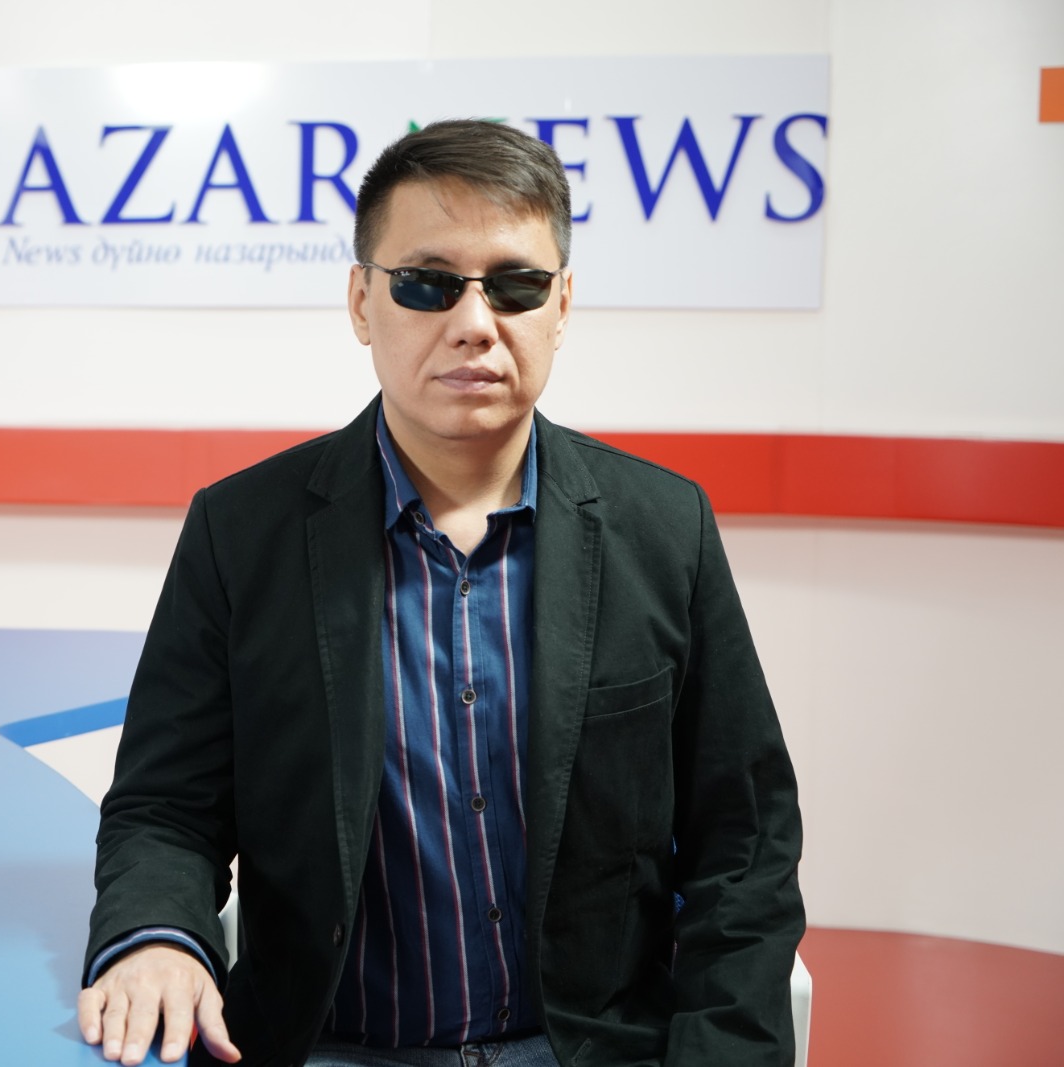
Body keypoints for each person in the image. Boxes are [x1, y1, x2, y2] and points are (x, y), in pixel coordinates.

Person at [78, 119, 804, 1067]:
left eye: (515, 284)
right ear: (361, 301)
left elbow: (743, 843)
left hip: (586, 1050)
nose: (474, 322)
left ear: (562, 304)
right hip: (334, 1047)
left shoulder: (665, 529)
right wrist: (158, 937)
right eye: (427, 282)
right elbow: (165, 807)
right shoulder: (241, 533)